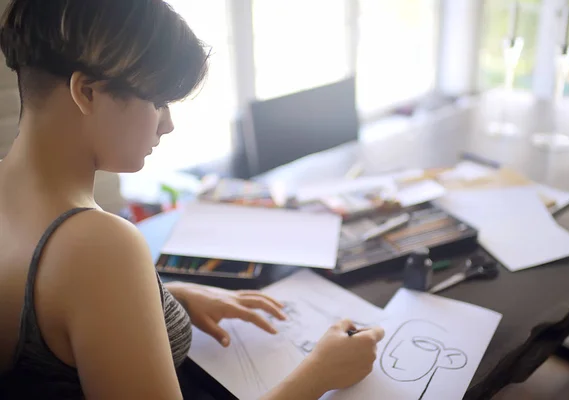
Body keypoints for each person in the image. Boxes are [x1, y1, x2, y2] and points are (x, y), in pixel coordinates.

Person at [0, 0, 384, 399]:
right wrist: (321, 372)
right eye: (157, 101)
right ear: (86, 92)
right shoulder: (98, 247)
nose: (167, 124)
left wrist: (166, 296)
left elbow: (53, 318)